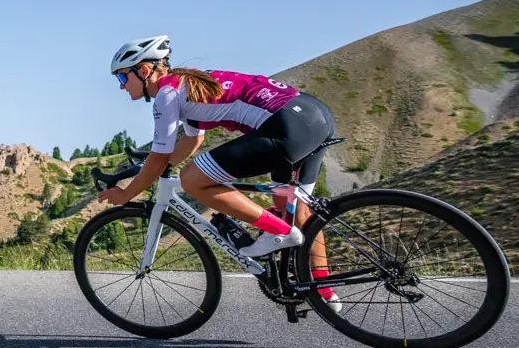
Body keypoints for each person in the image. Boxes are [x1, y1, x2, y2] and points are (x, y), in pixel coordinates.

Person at [95, 36, 339, 303]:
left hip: (287, 126)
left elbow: (159, 156)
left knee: (191, 179)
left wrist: (126, 194)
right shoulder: (187, 82)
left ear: (144, 71)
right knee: (298, 211)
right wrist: (155, 169)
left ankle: (278, 232)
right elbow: (192, 140)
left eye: (122, 77)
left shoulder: (166, 95)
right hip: (314, 115)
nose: (121, 86)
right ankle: (326, 294)